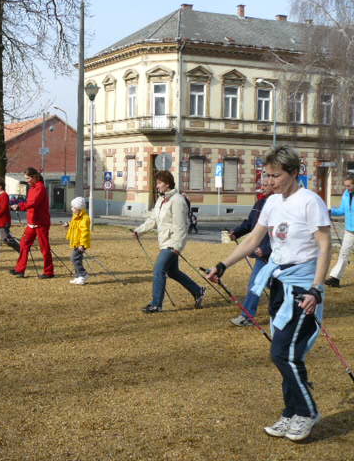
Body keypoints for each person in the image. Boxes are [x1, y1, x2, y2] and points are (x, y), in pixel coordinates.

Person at [206, 146, 330, 442]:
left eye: (275, 175)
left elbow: (325, 246)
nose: (269, 180)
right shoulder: (272, 202)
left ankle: (308, 412)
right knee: (287, 354)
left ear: (293, 173)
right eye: (266, 174)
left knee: (283, 353)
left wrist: (316, 288)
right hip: (277, 284)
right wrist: (223, 265)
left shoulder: (310, 201)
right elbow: (253, 239)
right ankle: (291, 413)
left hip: (302, 288)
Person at [133, 170, 206, 313]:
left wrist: (177, 246)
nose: (157, 186)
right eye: (157, 183)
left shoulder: (178, 200)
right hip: (164, 241)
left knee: (158, 270)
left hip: (172, 244)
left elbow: (181, 226)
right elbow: (153, 220)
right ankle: (198, 291)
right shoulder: (160, 200)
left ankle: (156, 304)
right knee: (173, 272)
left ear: (167, 184)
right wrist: (139, 231)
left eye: (159, 183)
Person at [227, 183, 273, 327]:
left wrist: (266, 249)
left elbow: (281, 233)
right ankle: (247, 316)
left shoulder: (279, 205)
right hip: (262, 256)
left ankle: (247, 316)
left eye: (266, 185)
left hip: (274, 255)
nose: (262, 187)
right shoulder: (260, 203)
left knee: (259, 284)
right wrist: (237, 232)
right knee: (261, 284)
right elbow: (250, 223)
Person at [10, 167, 54, 278]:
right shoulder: (32, 188)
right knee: (23, 244)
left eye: (28, 178)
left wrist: (20, 206)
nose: (27, 181)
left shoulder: (40, 188)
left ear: (34, 177)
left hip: (41, 223)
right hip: (32, 222)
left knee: (44, 248)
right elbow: (29, 203)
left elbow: (33, 203)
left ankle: (49, 272)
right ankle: (20, 269)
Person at [324, 174, 354, 288]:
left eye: (349, 186)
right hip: (349, 230)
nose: (347, 188)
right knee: (343, 253)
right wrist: (330, 211)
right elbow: (342, 210)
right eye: (345, 186)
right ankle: (335, 278)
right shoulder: (346, 194)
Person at [0, 177, 21, 262]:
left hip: (2, 221)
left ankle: (22, 250)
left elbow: (3, 208)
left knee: (6, 239)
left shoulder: (4, 195)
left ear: (0, 187)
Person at [66, 197, 91, 285]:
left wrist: (82, 244)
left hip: (81, 244)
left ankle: (83, 275)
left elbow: (85, 232)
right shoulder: (76, 216)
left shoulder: (85, 218)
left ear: (79, 208)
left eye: (73, 207)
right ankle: (78, 276)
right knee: (76, 259)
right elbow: (74, 224)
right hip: (76, 242)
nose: (72, 209)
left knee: (75, 259)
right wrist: (68, 224)